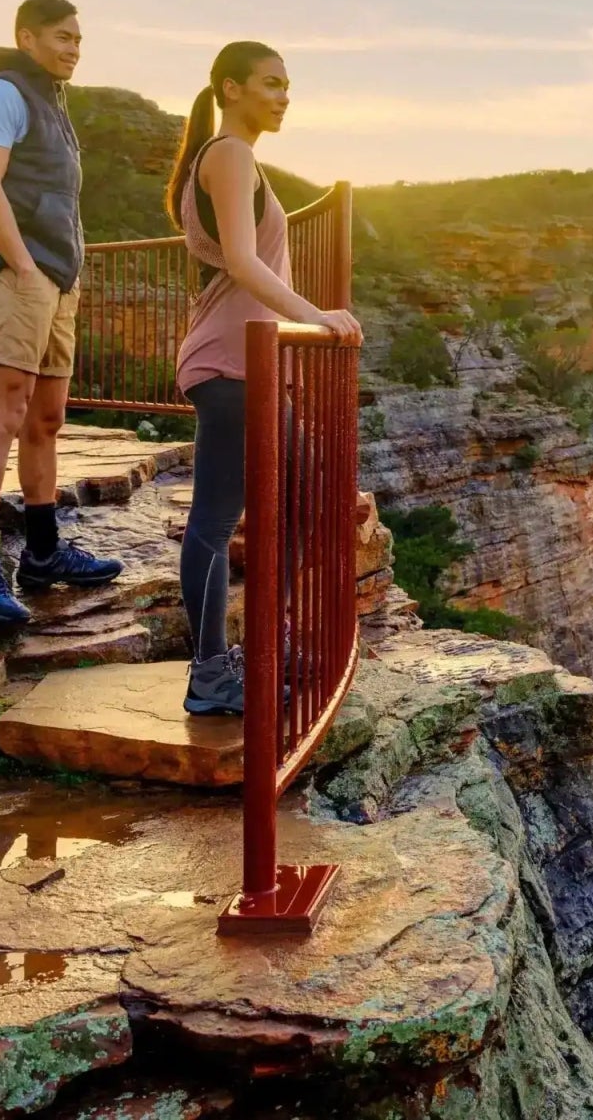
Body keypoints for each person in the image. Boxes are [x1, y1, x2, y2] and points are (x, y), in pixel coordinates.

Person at [170, 41, 359, 715]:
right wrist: (319, 318)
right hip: (229, 363)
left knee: (311, 494)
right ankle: (212, 674)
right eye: (270, 83)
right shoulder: (228, 155)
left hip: (243, 364)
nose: (283, 95)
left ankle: (257, 644)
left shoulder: (233, 158)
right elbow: (247, 263)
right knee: (215, 522)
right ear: (230, 88)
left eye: (288, 84)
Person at [0, 0, 124, 624]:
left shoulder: (52, 102)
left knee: (45, 419)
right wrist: (20, 266)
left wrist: (65, 273)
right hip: (19, 275)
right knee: (6, 411)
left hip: (56, 279)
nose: (74, 47)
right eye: (63, 37)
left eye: (79, 38)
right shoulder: (2, 93)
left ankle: (43, 553)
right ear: (27, 36)